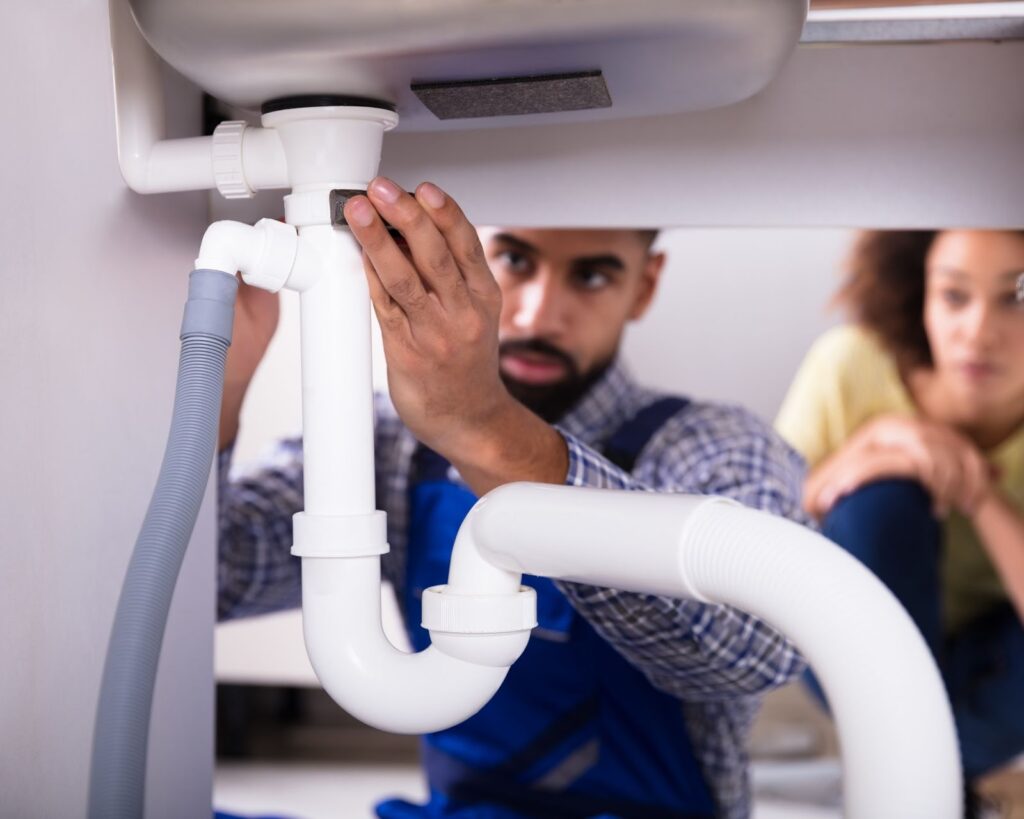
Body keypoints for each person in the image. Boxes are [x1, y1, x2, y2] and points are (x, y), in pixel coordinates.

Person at [219, 177, 810, 819]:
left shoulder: (717, 447)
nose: (536, 316)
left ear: (644, 285)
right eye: (516, 261)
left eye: (590, 278)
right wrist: (223, 383)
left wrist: (481, 427)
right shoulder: (391, 444)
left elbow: (756, 654)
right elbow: (207, 580)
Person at [775, 230, 1024, 795]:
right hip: (853, 651)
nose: (978, 331)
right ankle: (935, 778)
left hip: (994, 669)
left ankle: (922, 774)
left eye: (1017, 296)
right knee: (881, 497)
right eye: (954, 296)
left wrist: (976, 490)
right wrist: (879, 445)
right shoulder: (850, 364)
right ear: (922, 294)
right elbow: (760, 540)